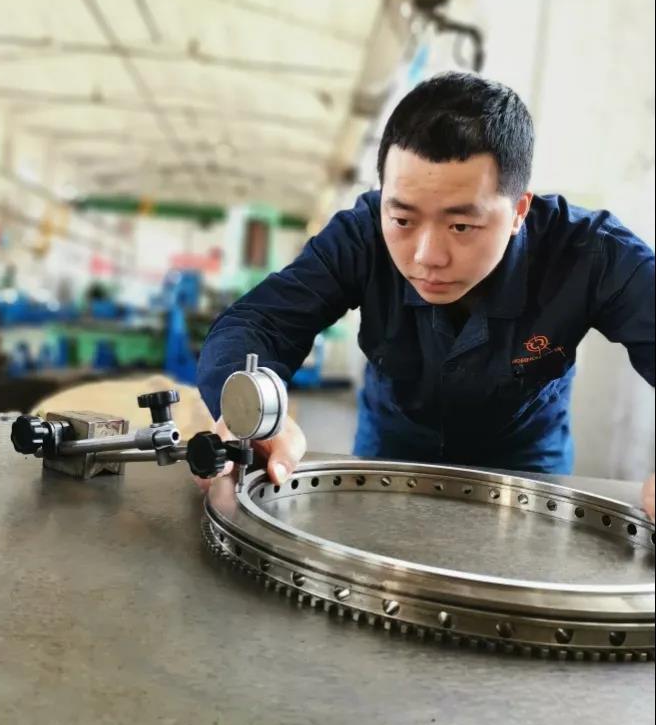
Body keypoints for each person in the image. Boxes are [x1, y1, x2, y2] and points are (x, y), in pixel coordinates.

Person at [195, 72, 655, 518]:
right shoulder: (361, 235)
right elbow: (257, 324)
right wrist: (255, 412)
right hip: (389, 454)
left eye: (462, 225)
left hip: (526, 468)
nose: (427, 256)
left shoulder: (590, 253)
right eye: (403, 220)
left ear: (519, 210)